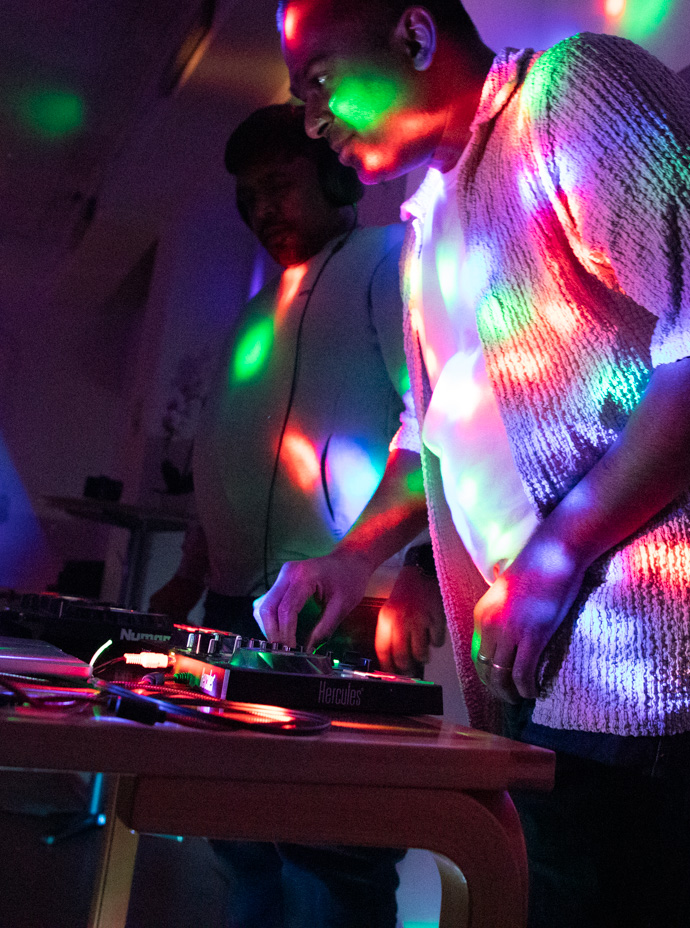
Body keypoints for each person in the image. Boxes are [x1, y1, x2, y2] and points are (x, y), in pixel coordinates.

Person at [254, 0, 690, 927]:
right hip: (547, 666)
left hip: (650, 666)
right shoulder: (429, 216)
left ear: (414, 37)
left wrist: (556, 554)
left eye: (318, 82)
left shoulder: (577, 93)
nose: (313, 123)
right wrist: (353, 559)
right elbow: (431, 432)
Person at [148, 103, 443, 928]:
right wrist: (187, 578)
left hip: (343, 615)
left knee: (334, 853)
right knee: (240, 837)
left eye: (277, 185)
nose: (262, 210)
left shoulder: (392, 263)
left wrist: (422, 571)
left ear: (336, 178)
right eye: (249, 197)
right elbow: (222, 457)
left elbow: (442, 428)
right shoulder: (253, 316)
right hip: (234, 610)